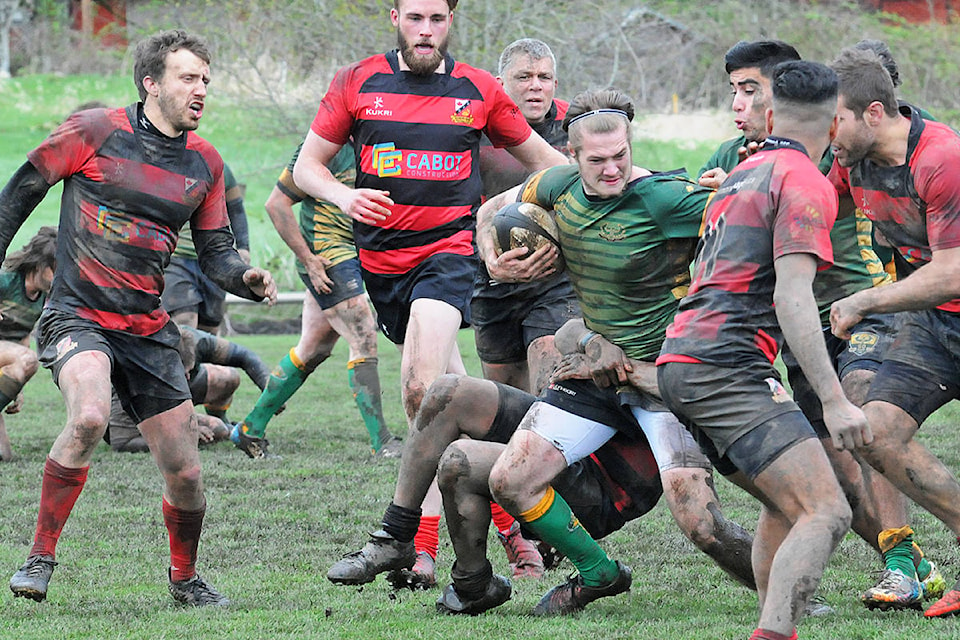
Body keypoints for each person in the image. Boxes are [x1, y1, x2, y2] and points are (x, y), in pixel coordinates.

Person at [293, 0, 567, 586]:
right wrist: (344, 198)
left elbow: (546, 161)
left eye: (437, 19)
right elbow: (307, 168)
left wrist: (612, 185)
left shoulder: (479, 89)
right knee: (446, 400)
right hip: (382, 265)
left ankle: (405, 539)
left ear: (451, 20)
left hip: (446, 256)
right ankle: (513, 531)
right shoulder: (357, 81)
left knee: (422, 388)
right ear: (394, 16)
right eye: (415, 18)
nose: (425, 30)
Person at [1, 29, 277, 606]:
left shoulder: (205, 163)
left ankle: (185, 580)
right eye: (188, 78)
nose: (201, 89)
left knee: (187, 474)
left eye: (206, 79)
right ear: (151, 83)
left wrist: (243, 279)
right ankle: (39, 558)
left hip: (149, 329)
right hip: (79, 315)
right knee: (89, 417)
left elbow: (217, 253)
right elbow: (19, 194)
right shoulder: (95, 131)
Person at [475, 87, 754, 615]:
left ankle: (791, 596)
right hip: (595, 374)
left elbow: (750, 222)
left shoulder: (665, 197)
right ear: (573, 156)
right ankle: (599, 574)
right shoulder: (555, 186)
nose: (611, 170)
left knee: (700, 523)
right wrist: (491, 253)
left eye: (620, 156)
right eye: (597, 160)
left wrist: (733, 186)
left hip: (661, 379)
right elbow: (492, 210)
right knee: (509, 480)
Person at [698, 39, 944, 611]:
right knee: (835, 460)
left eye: (752, 90)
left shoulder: (840, 147)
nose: (740, 103)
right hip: (800, 325)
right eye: (733, 90)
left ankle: (903, 562)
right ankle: (904, 561)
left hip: (863, 307)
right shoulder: (741, 156)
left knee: (859, 404)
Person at [657, 61, 872, 640]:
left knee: (787, 504)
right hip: (725, 366)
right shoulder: (805, 183)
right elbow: (794, 297)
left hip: (683, 360)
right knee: (827, 511)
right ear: (833, 129)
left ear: (770, 116)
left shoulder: (742, 172)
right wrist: (833, 400)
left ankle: (770, 624)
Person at [827, 46, 960, 619]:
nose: (825, 132)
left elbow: (952, 271)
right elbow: (801, 203)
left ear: (874, 113)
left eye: (833, 119)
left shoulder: (942, 158)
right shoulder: (848, 158)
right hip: (937, 324)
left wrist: (866, 298)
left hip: (937, 297)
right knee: (871, 432)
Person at [472, 37, 579, 579]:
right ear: (502, 84)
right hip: (492, 284)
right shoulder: (477, 125)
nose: (536, 86)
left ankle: (555, 525)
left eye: (544, 77)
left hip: (555, 286)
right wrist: (488, 256)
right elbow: (465, 207)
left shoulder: (574, 126)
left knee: (547, 393)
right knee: (502, 415)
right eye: (524, 78)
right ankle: (519, 540)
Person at [432, 375, 663, 615]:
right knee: (450, 394)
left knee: (464, 463)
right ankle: (400, 533)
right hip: (579, 434)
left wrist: (617, 363)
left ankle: (596, 569)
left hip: (608, 484)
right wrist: (584, 342)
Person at [231, 141, 401, 459]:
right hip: (327, 256)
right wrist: (308, 259)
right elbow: (275, 204)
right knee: (364, 335)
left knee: (313, 348)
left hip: (356, 253)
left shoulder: (382, 135)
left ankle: (249, 429)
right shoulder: (324, 145)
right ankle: (384, 443)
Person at [161, 162, 250, 334]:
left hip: (213, 258)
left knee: (209, 329)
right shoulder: (165, 162)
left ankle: (197, 361)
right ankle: (182, 361)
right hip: (175, 257)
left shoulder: (215, 165)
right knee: (185, 320)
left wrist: (244, 246)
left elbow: (236, 207)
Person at [0, 226, 57, 461]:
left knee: (4, 456)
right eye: (56, 270)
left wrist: (16, 386)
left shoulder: (41, 297)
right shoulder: (6, 280)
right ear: (40, 265)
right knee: (29, 359)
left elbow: (22, 338)